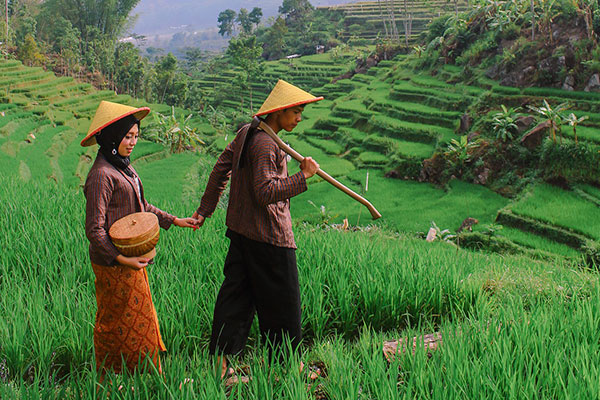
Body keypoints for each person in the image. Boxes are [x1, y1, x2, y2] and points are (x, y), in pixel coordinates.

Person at [192, 79, 323, 378]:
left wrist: (205, 210)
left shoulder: (247, 132)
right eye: (297, 112)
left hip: (241, 232)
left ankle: (220, 364)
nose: (300, 118)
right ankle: (290, 366)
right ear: (278, 112)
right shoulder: (266, 143)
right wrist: (303, 176)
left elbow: (220, 168)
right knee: (285, 302)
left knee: (236, 298)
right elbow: (265, 192)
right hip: (268, 237)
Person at [81, 101, 196, 378]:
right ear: (111, 138)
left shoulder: (122, 167)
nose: (133, 142)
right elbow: (94, 229)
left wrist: (174, 220)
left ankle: (140, 374)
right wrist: (123, 259)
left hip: (131, 258)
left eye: (136, 136)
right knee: (114, 320)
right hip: (114, 264)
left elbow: (142, 206)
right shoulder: (101, 175)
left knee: (139, 318)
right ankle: (111, 375)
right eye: (127, 136)